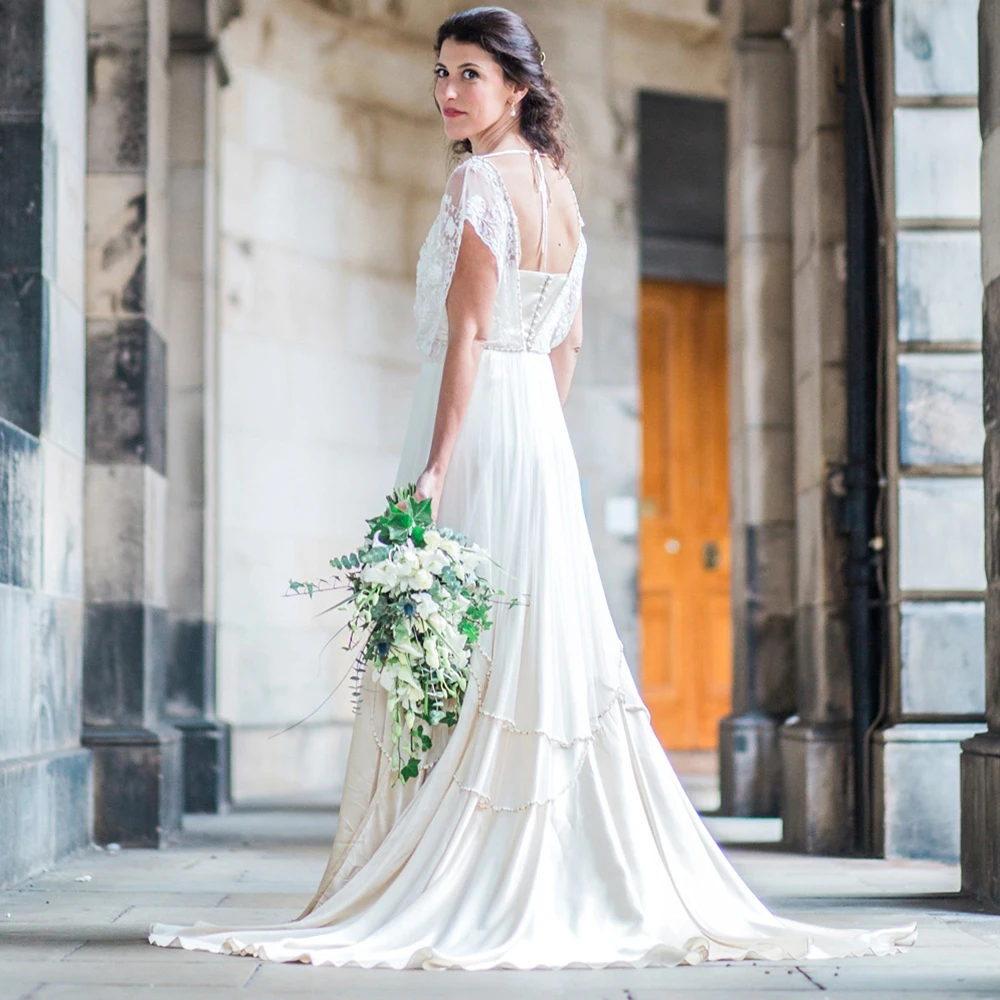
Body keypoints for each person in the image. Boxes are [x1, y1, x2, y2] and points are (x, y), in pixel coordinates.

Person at [150, 6, 916, 969]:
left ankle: (462, 856)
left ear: (517, 86)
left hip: (477, 429)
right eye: (440, 71)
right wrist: (540, 441)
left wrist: (437, 465)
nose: (445, 90)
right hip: (536, 436)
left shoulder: (480, 180)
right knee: (530, 639)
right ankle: (545, 853)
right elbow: (569, 343)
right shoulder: (559, 187)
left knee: (469, 644)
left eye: (468, 73)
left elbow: (469, 336)